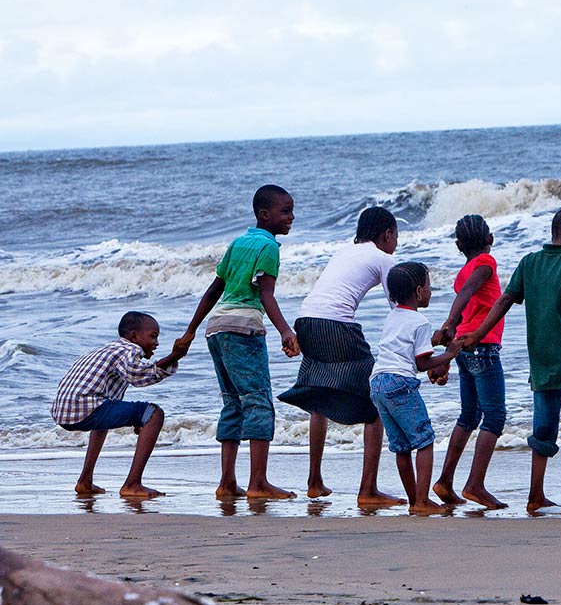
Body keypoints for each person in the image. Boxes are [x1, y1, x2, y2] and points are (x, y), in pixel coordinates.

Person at [458, 207, 561, 514]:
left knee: (543, 429)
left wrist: (477, 333)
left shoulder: (529, 262)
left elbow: (504, 300)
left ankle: (535, 495)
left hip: (541, 361)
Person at [175, 184, 300, 499]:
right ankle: (258, 483)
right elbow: (265, 293)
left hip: (216, 329)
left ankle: (227, 482)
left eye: (292, 210)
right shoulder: (268, 247)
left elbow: (214, 290)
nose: (291, 217)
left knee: (233, 403)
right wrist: (286, 330)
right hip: (244, 329)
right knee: (258, 401)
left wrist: (191, 330)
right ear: (264, 214)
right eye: (285, 211)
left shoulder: (238, 242)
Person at [277, 206, 403, 506]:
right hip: (336, 325)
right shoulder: (384, 257)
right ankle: (368, 490)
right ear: (387, 234)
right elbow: (399, 306)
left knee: (319, 397)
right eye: (396, 236)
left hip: (306, 320)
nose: (396, 243)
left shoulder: (344, 251)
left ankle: (314, 482)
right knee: (374, 402)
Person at [51, 311, 186, 499]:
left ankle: (85, 481)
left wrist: (136, 419)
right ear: (134, 336)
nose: (156, 343)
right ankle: (132, 484)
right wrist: (174, 356)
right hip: (86, 407)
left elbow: (111, 395)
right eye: (153, 336)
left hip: (65, 412)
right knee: (154, 414)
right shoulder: (129, 350)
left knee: (105, 420)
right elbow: (139, 375)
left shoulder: (105, 350)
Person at [429, 214, 508, 509]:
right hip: (481, 346)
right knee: (495, 416)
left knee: (470, 415)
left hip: (463, 348)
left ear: (459, 245)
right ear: (490, 239)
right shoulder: (486, 264)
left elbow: (464, 305)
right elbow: (466, 296)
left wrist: (448, 354)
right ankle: (475, 484)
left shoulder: (463, 270)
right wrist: (449, 322)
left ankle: (445, 481)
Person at [369, 262, 459, 515]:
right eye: (428, 286)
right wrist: (450, 354)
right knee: (425, 440)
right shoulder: (420, 320)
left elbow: (405, 346)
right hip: (400, 383)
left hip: (378, 382)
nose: (430, 291)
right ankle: (422, 500)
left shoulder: (393, 315)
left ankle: (414, 500)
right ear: (419, 292)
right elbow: (422, 363)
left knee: (401, 446)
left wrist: (435, 342)